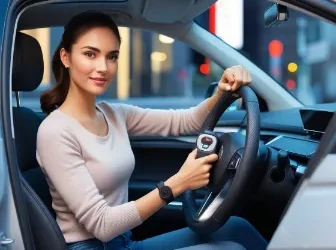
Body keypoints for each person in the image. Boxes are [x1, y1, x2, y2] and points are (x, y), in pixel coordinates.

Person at [36, 11, 267, 250]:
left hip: (124, 243)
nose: (103, 67)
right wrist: (178, 183)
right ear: (66, 56)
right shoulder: (55, 131)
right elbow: (102, 225)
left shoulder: (113, 114)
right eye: (90, 54)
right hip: (92, 246)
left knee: (237, 229)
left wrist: (222, 92)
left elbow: (186, 121)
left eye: (112, 56)